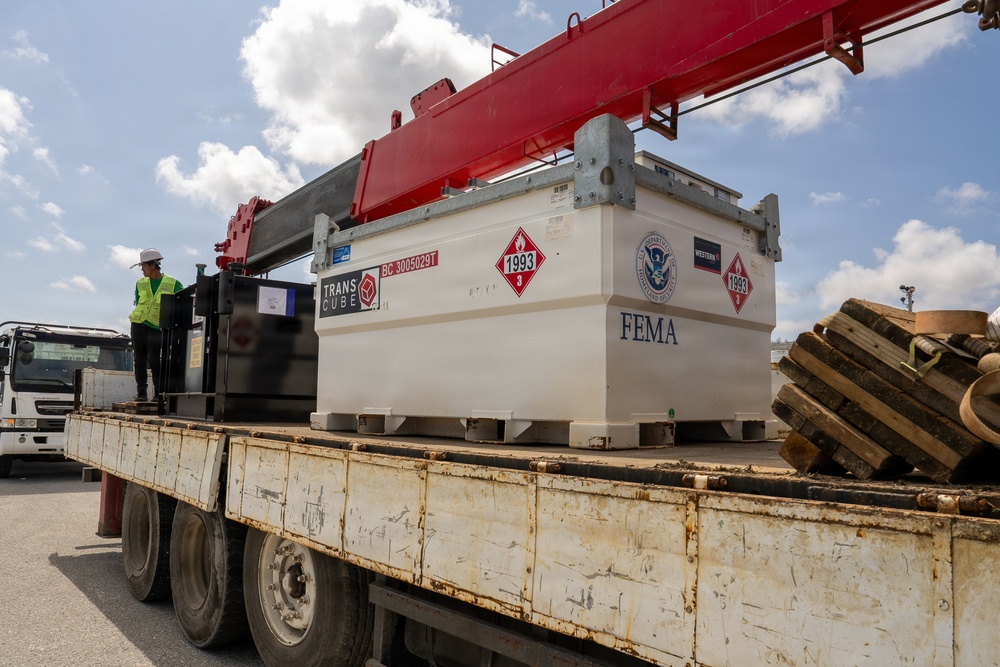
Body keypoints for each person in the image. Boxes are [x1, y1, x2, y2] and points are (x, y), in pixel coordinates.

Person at [128, 248, 182, 401]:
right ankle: (142, 393)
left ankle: (159, 394)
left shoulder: (173, 283)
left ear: (152, 265)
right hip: (138, 323)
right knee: (139, 359)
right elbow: (139, 303)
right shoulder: (140, 283)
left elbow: (184, 301)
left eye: (143, 266)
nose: (142, 270)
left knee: (154, 359)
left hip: (156, 327)